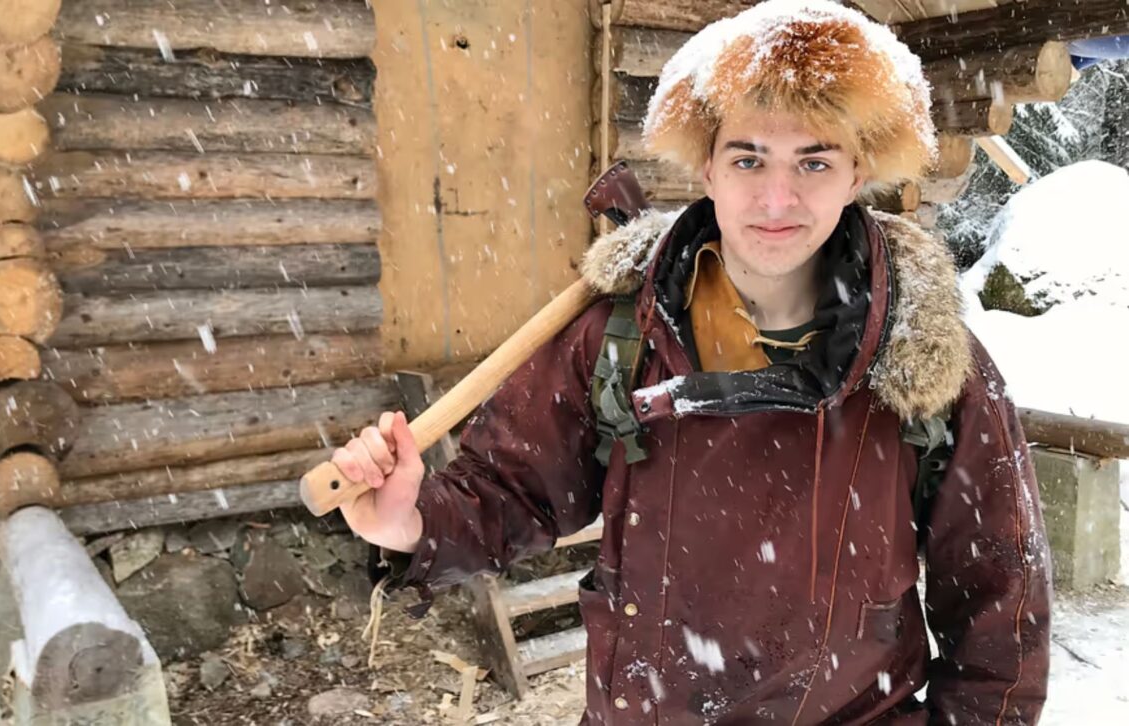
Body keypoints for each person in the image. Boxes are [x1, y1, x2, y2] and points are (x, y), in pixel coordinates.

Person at [331, 0, 1051, 722]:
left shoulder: (925, 357)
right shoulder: (621, 335)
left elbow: (1002, 608)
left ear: (857, 168)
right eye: (748, 157)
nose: (777, 197)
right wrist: (410, 520)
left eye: (814, 159)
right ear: (706, 166)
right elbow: (511, 492)